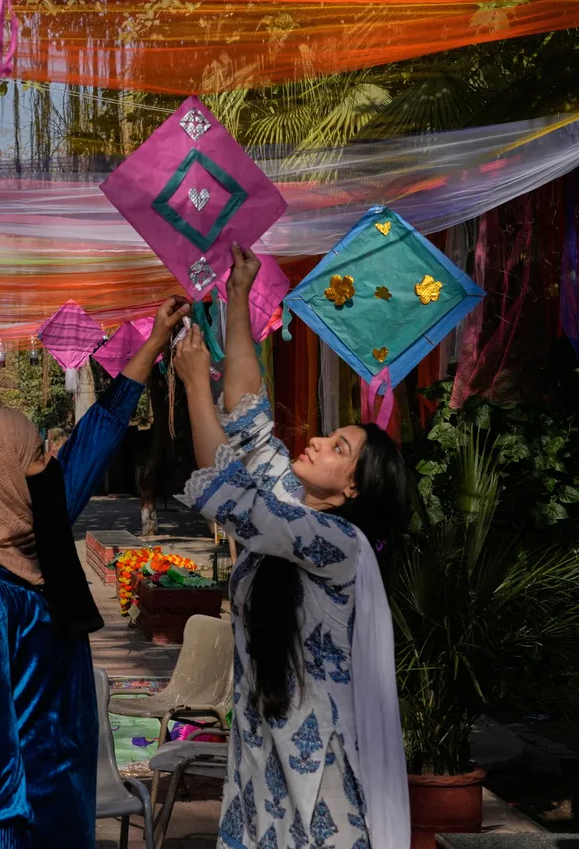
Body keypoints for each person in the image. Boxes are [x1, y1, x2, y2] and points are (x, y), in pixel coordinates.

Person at [0, 295, 189, 848]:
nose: (50, 461)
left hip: (63, 796)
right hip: (21, 818)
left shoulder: (29, 532)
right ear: (0, 480)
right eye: (36, 454)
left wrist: (152, 345)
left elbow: (96, 437)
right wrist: (4, 832)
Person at [174, 243, 410, 849]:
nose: (318, 442)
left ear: (355, 486)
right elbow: (249, 420)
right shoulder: (294, 510)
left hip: (316, 763)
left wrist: (196, 384)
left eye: (338, 447)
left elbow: (231, 495)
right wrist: (236, 297)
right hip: (259, 750)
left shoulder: (339, 542)